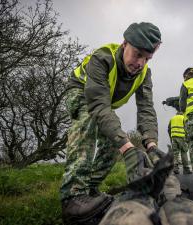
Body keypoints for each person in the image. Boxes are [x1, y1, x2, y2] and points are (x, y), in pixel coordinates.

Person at [59, 22, 166, 224]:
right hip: (81, 93)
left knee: (114, 139)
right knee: (89, 119)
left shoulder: (145, 74)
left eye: (147, 58)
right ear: (124, 44)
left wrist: (151, 145)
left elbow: (146, 110)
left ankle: (89, 191)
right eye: (137, 54)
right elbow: (98, 106)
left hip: (103, 105)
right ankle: (72, 197)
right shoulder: (102, 58)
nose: (140, 63)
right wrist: (128, 149)